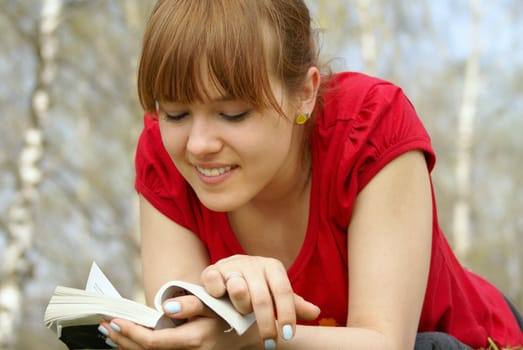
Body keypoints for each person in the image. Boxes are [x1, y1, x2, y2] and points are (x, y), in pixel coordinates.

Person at [98, 0, 523, 349]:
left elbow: (385, 343)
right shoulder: (162, 153)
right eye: (176, 113)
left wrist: (248, 338)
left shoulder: (371, 127)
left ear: (305, 93)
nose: (198, 144)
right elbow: (190, 329)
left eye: (233, 113)